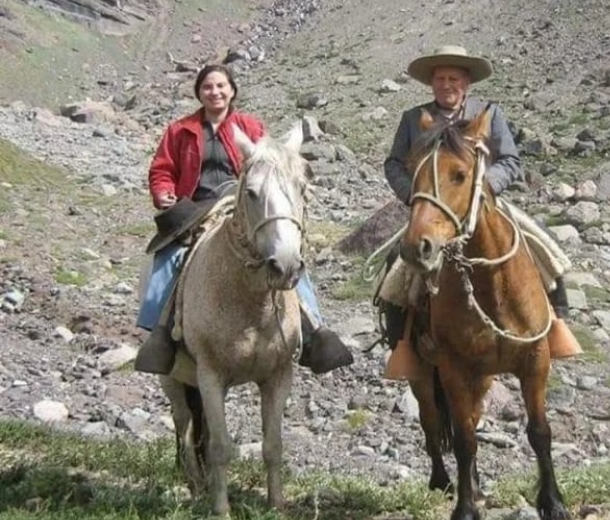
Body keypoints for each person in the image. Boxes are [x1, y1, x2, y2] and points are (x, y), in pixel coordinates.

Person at [135, 63, 353, 376]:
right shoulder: (180, 130)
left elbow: (271, 168)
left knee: (285, 253)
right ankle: (159, 332)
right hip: (194, 207)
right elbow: (162, 169)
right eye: (208, 87)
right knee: (169, 257)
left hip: (242, 204)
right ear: (199, 92)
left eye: (221, 86)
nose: (215, 92)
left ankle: (314, 328)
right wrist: (163, 192)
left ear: (232, 90)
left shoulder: (250, 127)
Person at [381, 44, 576, 360]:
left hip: (483, 204)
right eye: (441, 78)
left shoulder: (489, 114)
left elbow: (510, 160)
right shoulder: (413, 119)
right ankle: (403, 345)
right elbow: (393, 164)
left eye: (454, 78)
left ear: (466, 83)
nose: (447, 85)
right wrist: (413, 195)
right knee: (396, 266)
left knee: (542, 242)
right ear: (432, 83)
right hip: (434, 209)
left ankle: (557, 322)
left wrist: (483, 188)